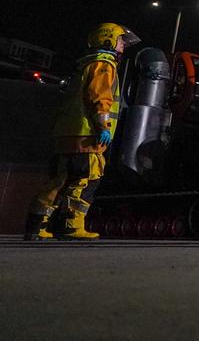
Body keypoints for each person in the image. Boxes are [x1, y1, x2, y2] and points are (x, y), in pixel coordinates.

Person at [24, 23, 139, 240]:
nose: (123, 44)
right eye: (121, 39)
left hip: (68, 134)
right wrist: (103, 127)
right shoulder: (104, 65)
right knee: (86, 179)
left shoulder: (86, 64)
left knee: (61, 180)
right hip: (86, 136)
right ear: (108, 40)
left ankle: (38, 225)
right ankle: (71, 225)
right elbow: (99, 98)